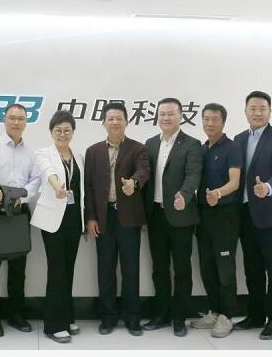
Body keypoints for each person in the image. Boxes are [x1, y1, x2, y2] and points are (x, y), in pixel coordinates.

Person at [84, 102, 150, 336]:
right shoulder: (93, 151)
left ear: (126, 122)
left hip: (128, 217)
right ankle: (108, 317)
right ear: (103, 123)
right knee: (105, 268)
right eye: (110, 118)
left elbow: (143, 170)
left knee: (131, 269)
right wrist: (90, 218)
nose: (115, 122)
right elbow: (88, 187)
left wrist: (134, 182)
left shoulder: (138, 149)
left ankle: (132, 317)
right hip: (103, 218)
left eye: (119, 118)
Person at [233, 91, 272, 340]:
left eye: (262, 109)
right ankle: (255, 314)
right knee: (252, 268)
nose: (257, 113)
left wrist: (267, 187)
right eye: (253, 108)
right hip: (245, 214)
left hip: (271, 214)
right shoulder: (238, 139)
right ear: (245, 111)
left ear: (270, 111)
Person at [0, 103, 40, 337]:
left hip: (19, 210)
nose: (16, 122)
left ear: (26, 122)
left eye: (20, 118)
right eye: (12, 118)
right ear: (4, 120)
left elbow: (36, 180)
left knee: (17, 267)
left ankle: (16, 314)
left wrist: (21, 197)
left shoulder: (32, 151)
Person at [142, 97, 202, 337]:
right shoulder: (150, 143)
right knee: (159, 268)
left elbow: (193, 174)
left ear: (180, 116)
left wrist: (184, 195)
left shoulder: (192, 144)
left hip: (181, 215)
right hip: (155, 215)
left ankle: (179, 318)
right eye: (162, 114)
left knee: (182, 269)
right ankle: (161, 314)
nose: (165, 118)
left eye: (170, 114)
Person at [30, 110, 84, 344]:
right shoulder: (44, 153)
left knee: (68, 269)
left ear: (73, 132)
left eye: (67, 130)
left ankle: (67, 317)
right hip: (53, 220)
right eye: (58, 130)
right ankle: (53, 325)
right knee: (57, 270)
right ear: (51, 132)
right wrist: (57, 187)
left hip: (73, 219)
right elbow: (49, 172)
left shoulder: (78, 155)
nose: (63, 134)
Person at [189, 103, 242, 338]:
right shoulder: (201, 149)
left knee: (224, 268)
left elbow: (235, 181)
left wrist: (218, 193)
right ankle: (214, 311)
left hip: (225, 216)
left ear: (223, 122)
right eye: (206, 119)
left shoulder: (232, 147)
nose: (210, 124)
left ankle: (227, 316)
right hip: (203, 216)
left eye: (215, 119)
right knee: (207, 266)